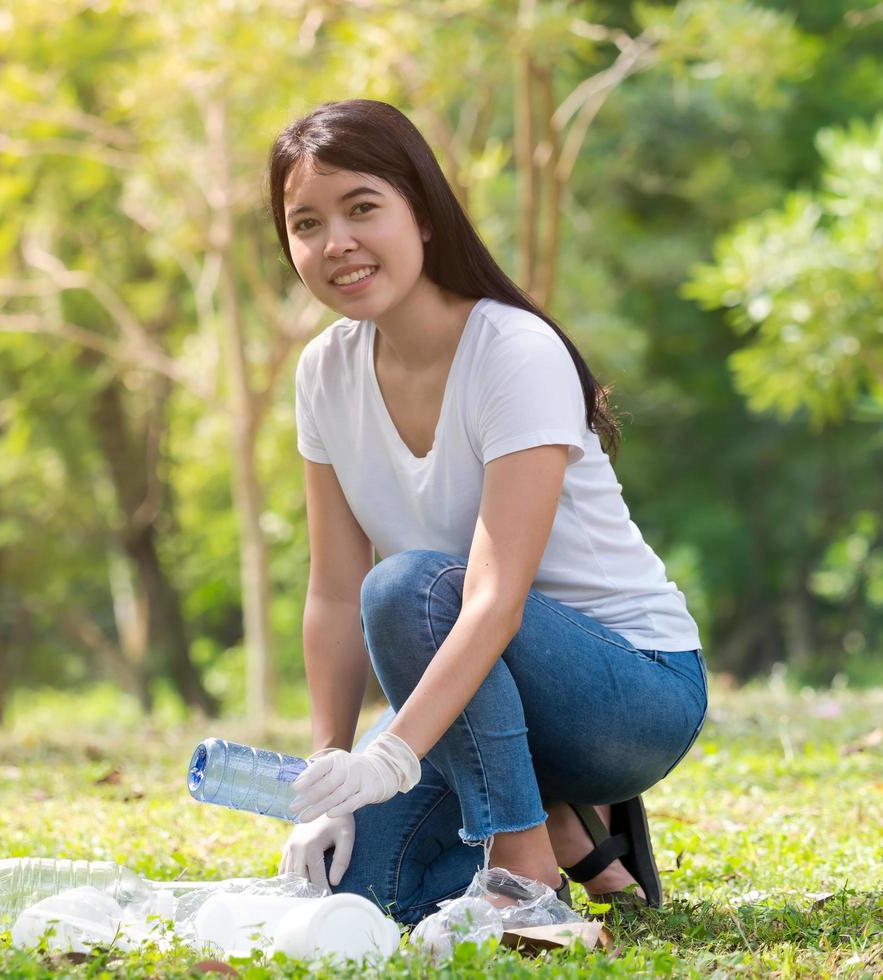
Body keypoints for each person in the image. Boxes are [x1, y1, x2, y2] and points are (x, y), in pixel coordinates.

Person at [270, 99, 707, 925]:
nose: (336, 244)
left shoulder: (512, 352)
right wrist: (331, 770)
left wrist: (394, 753)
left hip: (628, 695)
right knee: (360, 895)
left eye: (362, 208)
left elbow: (492, 597)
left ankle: (528, 862)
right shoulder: (323, 373)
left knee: (405, 588)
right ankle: (573, 830)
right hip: (474, 689)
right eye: (305, 224)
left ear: (423, 213)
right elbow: (331, 589)